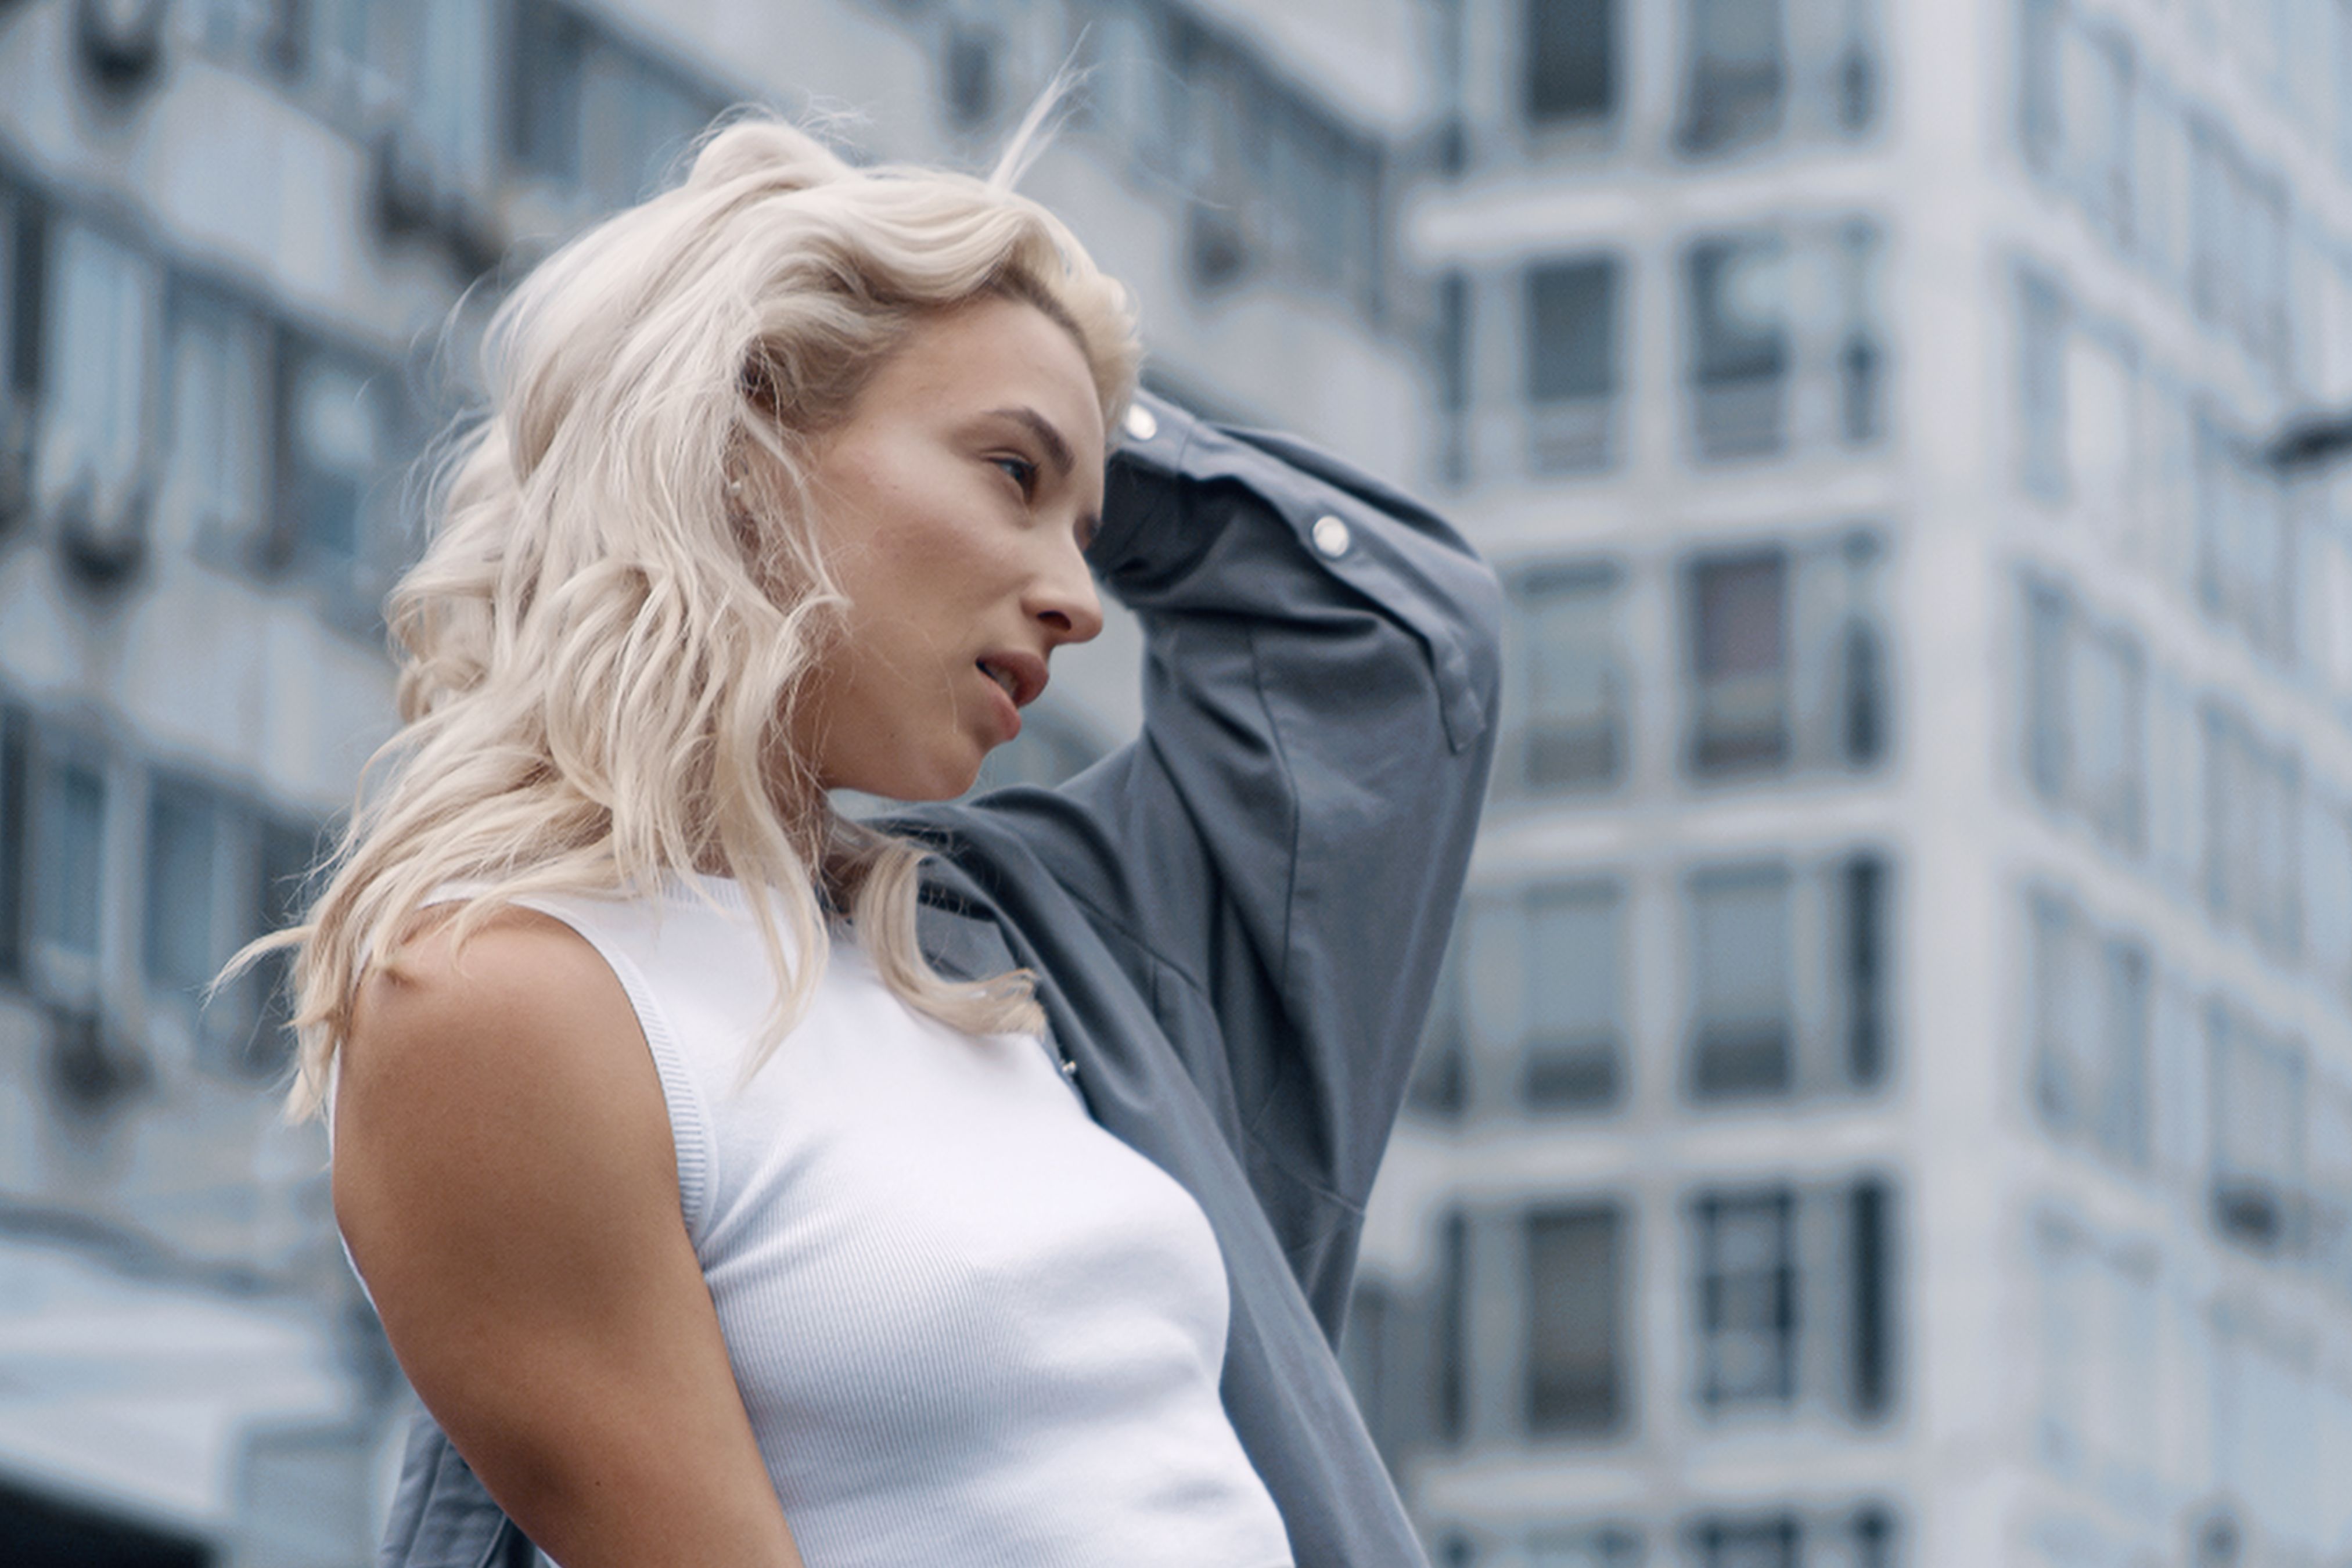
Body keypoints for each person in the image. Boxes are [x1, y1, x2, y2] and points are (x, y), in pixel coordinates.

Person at [262, 113, 1497, 1567]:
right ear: (745, 436)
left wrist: (1073, 384)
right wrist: (743, 335)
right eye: (1014, 478)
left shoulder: (1016, 957)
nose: (1080, 600)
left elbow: (1387, 643)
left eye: (1088, 531)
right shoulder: (499, 1006)